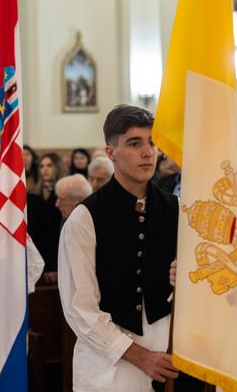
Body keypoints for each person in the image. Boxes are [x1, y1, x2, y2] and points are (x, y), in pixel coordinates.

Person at [58, 105, 199, 391]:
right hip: (108, 369)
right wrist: (139, 356)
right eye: (135, 144)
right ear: (111, 152)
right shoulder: (85, 218)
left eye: (152, 143)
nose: (148, 152)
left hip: (170, 357)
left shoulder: (179, 210)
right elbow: (80, 309)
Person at [28, 152, 64, 278]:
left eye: (49, 165)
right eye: (42, 166)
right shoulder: (32, 194)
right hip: (38, 251)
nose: (45, 170)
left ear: (58, 167)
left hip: (59, 249)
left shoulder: (64, 192)